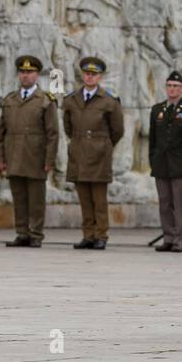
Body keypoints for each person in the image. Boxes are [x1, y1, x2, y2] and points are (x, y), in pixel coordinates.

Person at [63, 56, 125, 249]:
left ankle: (101, 235)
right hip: (79, 154)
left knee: (99, 200)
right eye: (87, 74)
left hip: (99, 155)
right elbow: (68, 127)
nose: (89, 77)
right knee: (84, 199)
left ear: (100, 77)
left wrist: (102, 144)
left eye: (94, 74)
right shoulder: (72, 100)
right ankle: (88, 234)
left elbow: (117, 130)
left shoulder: (109, 101)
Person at [0, 54, 58, 248]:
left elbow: (53, 134)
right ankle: (22, 232)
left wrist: (49, 159)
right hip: (14, 155)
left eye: (30, 72)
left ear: (37, 75)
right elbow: (1, 132)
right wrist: (1, 157)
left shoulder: (45, 100)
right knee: (19, 198)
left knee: (36, 200)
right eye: (22, 72)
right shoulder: (10, 99)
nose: (25, 76)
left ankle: (35, 233)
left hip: (35, 156)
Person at [148, 70, 182, 252]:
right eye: (169, 86)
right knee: (164, 203)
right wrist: (152, 161)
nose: (172, 89)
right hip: (161, 163)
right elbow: (153, 140)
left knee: (180, 204)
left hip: (181, 164)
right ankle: (168, 237)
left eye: (176, 86)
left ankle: (180, 239)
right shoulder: (157, 110)